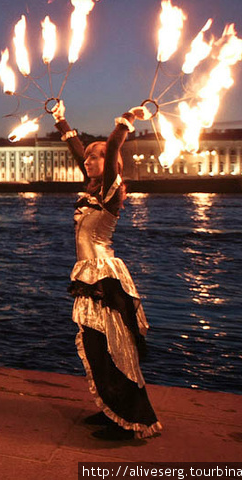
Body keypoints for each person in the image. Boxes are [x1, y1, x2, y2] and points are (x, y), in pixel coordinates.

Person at [52, 99, 161, 440]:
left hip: (103, 279)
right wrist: (61, 121)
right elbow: (77, 151)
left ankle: (131, 420)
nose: (87, 161)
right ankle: (111, 410)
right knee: (96, 346)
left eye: (94, 157)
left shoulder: (111, 191)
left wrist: (127, 119)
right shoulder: (93, 189)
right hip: (87, 275)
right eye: (86, 158)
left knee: (115, 347)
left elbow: (113, 145)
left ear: (111, 163)